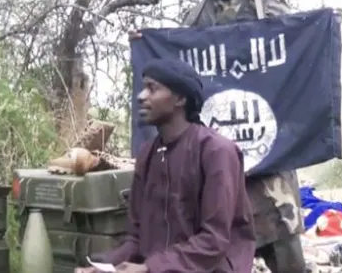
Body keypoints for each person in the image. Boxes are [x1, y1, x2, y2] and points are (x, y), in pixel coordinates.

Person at [128, 0, 306, 271]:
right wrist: (146, 42)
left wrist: (324, 28)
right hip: (214, 163)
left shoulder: (270, 9)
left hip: (268, 158)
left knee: (286, 250)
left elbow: (299, 50)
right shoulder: (194, 19)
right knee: (219, 248)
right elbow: (174, 73)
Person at [75, 58, 256, 273]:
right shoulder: (147, 154)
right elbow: (135, 238)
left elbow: (213, 240)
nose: (141, 96)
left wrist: (149, 268)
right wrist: (107, 264)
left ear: (180, 98)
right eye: (143, 88)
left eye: (152, 89)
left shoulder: (217, 152)